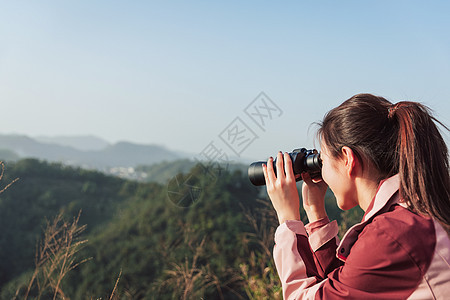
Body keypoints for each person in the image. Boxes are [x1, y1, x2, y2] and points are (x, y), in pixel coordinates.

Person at [262, 93, 450, 299]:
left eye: (322, 161)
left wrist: (288, 219)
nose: (322, 172)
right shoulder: (413, 213)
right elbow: (346, 285)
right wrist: (316, 214)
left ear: (348, 159)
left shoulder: (390, 234)